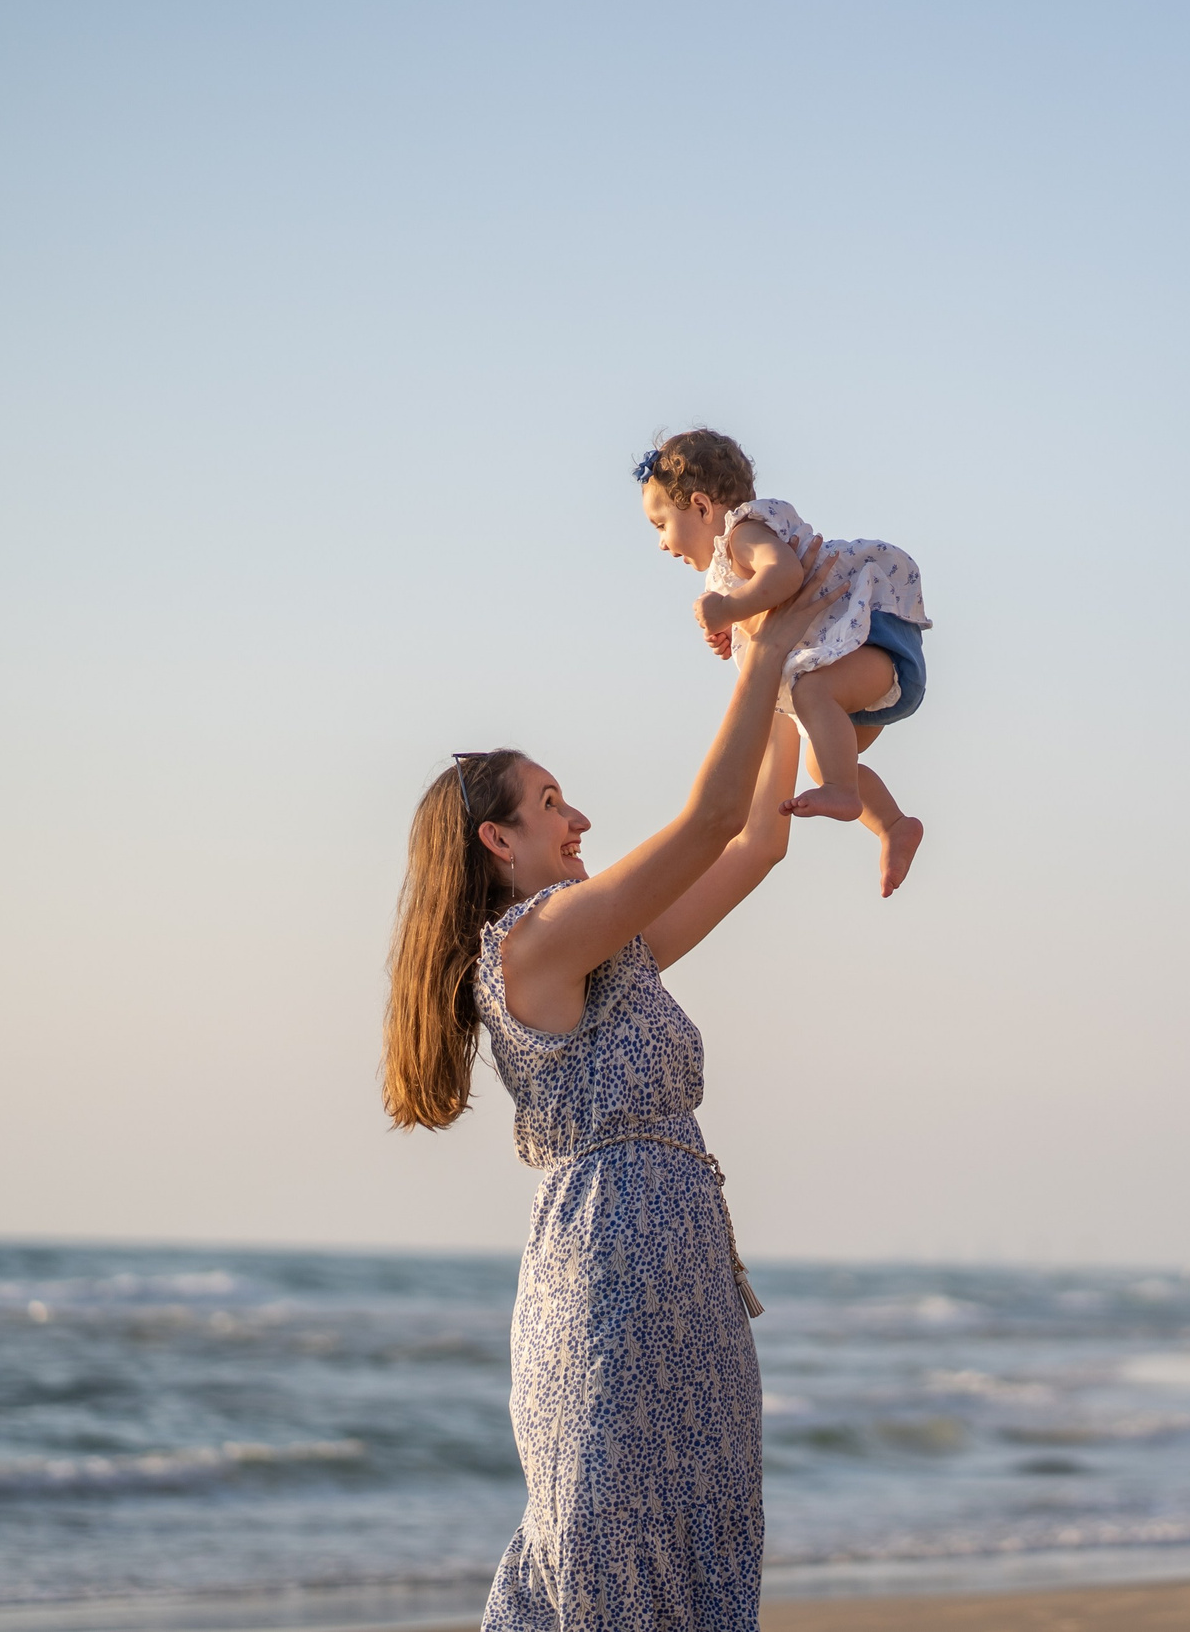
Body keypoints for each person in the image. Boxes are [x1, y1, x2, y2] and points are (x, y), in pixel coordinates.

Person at [380, 543, 843, 1632]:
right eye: (550, 804)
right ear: (499, 842)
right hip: (610, 1299)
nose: (576, 818)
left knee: (695, 1564)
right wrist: (763, 643)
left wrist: (780, 683)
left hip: (684, 1286)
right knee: (612, 1575)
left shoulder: (607, 954)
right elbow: (705, 825)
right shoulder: (528, 946)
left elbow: (758, 839)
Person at [637, 429, 931, 897]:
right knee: (821, 759)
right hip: (851, 669)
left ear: (700, 506)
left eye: (660, 524)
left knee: (811, 696)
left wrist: (729, 609)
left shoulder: (743, 533)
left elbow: (786, 574)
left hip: (874, 649)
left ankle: (845, 792)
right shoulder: (734, 558)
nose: (660, 543)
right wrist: (732, 629)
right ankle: (894, 824)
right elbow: (772, 611)